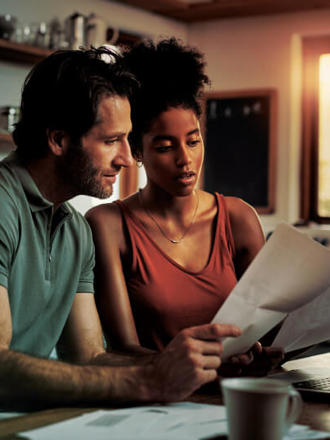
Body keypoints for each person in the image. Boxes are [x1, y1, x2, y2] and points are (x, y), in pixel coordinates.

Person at [0, 46, 243, 410]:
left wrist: (197, 365)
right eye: (111, 140)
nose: (128, 159)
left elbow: (90, 357)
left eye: (127, 140)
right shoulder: (4, 205)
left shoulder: (75, 232)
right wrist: (148, 380)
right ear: (58, 140)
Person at [86, 39, 284, 374]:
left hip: (236, 393)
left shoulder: (238, 219)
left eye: (193, 141)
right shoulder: (108, 225)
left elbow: (270, 332)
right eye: (165, 147)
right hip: (158, 403)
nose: (185, 159)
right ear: (136, 152)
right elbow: (123, 349)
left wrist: (264, 352)